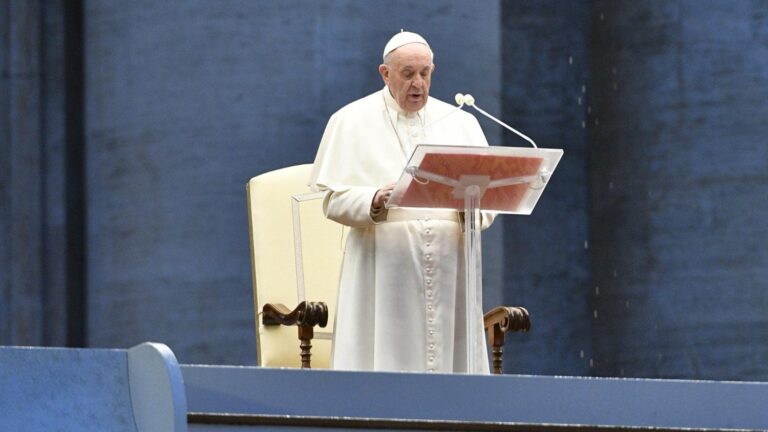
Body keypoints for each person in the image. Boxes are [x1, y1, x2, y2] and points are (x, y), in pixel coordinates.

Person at [309, 31, 494, 374]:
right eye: (408, 73)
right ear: (385, 73)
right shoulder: (350, 121)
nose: (418, 84)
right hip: (383, 270)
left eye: (425, 73)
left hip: (450, 269)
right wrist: (375, 200)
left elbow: (489, 205)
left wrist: (467, 208)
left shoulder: (461, 123)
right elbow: (333, 201)